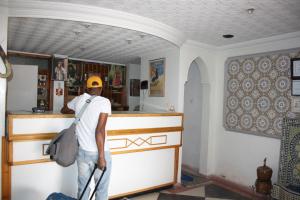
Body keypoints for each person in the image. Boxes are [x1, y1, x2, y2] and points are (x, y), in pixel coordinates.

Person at [61, 75, 112, 200]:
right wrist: (101, 157)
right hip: (98, 153)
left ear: (87, 88)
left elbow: (63, 110)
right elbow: (99, 131)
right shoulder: (104, 102)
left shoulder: (78, 100)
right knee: (101, 189)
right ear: (101, 88)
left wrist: (77, 110)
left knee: (83, 187)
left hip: (82, 153)